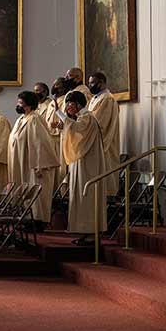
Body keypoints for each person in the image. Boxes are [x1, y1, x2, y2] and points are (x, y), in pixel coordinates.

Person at [55, 91, 107, 245]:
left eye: (70, 103)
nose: (68, 107)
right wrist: (63, 123)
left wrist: (60, 114)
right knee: (80, 197)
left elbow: (76, 129)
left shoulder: (87, 118)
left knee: (88, 197)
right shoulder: (81, 118)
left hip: (89, 165)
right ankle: (85, 231)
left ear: (78, 103)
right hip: (81, 162)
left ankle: (92, 233)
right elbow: (73, 134)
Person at [8, 91, 60, 227]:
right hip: (21, 162)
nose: (17, 105)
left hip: (33, 165)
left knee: (34, 190)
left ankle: (37, 221)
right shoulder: (21, 119)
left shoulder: (35, 119)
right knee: (23, 190)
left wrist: (40, 165)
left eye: (20, 103)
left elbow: (41, 143)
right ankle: (25, 217)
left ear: (29, 105)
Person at [87, 72, 121, 195]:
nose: (90, 85)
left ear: (101, 83)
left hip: (104, 142)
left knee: (105, 174)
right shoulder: (95, 98)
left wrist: (82, 124)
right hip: (94, 141)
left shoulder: (107, 99)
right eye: (89, 82)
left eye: (92, 83)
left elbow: (99, 122)